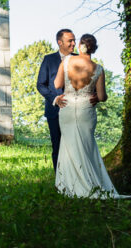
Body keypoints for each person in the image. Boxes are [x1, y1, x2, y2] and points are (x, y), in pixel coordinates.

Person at [53, 33, 123, 198]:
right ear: (94, 48)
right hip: (86, 110)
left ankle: (69, 186)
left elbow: (57, 84)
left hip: (67, 107)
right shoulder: (98, 69)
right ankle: (91, 184)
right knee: (86, 147)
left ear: (79, 46)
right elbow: (103, 96)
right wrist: (96, 97)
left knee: (68, 146)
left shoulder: (67, 61)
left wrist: (59, 96)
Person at [36, 29, 78, 171]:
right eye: (70, 41)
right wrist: (55, 99)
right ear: (60, 42)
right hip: (54, 111)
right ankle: (59, 180)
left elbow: (89, 81)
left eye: (74, 40)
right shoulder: (49, 60)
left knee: (75, 146)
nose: (73, 43)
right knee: (57, 145)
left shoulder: (79, 59)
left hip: (76, 110)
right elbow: (40, 84)